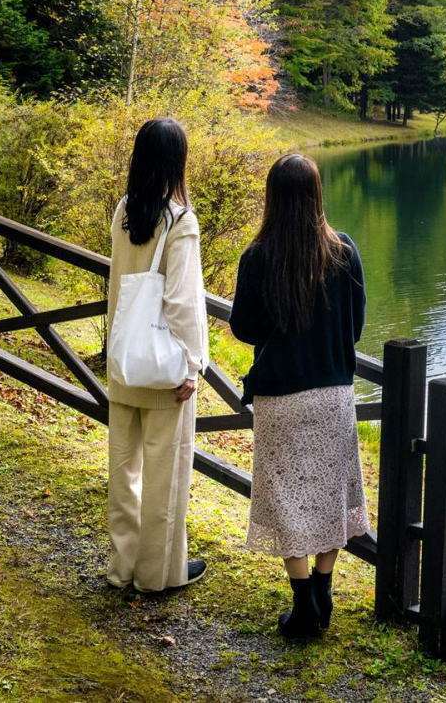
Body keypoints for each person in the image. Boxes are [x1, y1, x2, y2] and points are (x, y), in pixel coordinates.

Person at [227, 153, 372, 639]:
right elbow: (355, 329)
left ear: (272, 198)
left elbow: (244, 329)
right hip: (333, 395)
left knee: (287, 498)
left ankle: (304, 599)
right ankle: (325, 589)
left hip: (281, 400)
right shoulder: (344, 252)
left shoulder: (259, 257)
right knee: (332, 495)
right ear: (316, 195)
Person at [103, 118, 209, 595]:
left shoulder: (125, 211)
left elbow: (117, 285)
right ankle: (157, 573)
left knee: (123, 470)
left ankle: (122, 566)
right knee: (165, 474)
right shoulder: (180, 222)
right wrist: (194, 364)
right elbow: (184, 303)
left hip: (126, 360)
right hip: (165, 369)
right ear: (177, 163)